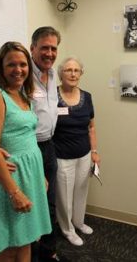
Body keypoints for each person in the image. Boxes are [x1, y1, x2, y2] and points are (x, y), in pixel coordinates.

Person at [0, 41, 51, 262]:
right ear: (1, 67)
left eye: (23, 64)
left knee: (27, 239)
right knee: (9, 245)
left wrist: (40, 177)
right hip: (8, 180)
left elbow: (25, 137)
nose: (18, 70)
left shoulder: (22, 96)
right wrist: (15, 192)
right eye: (11, 64)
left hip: (29, 177)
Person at [30, 27, 69, 262]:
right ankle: (33, 257)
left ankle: (49, 253)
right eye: (44, 47)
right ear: (32, 48)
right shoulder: (24, 74)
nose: (50, 53)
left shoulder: (53, 73)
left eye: (54, 48)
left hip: (49, 146)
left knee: (50, 203)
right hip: (30, 147)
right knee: (34, 207)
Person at [53, 57, 101, 246]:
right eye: (68, 70)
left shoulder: (87, 96)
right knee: (64, 196)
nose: (73, 74)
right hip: (61, 155)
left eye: (76, 70)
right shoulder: (52, 95)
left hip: (84, 154)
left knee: (81, 190)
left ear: (81, 73)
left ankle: (78, 222)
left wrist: (95, 151)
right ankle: (67, 230)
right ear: (60, 74)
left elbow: (91, 127)